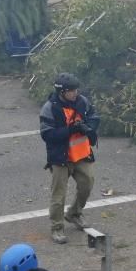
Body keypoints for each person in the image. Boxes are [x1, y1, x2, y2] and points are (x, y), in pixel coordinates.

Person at [39, 73, 100, 244]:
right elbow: (47, 135)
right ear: (62, 92)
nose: (75, 93)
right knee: (58, 195)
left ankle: (74, 213)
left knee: (87, 184)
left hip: (82, 154)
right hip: (61, 158)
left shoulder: (83, 101)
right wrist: (71, 130)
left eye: (76, 90)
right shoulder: (49, 108)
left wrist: (89, 128)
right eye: (71, 91)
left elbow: (95, 117)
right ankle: (57, 227)